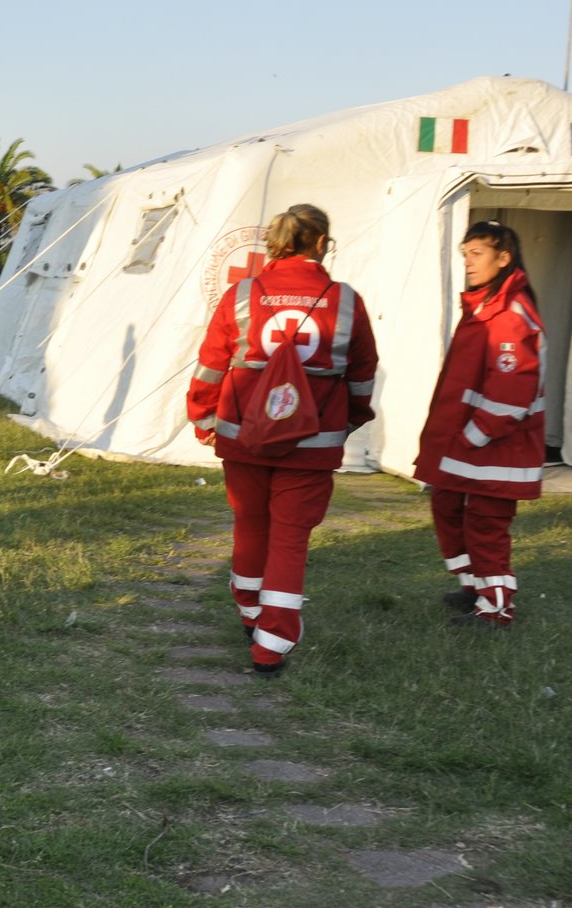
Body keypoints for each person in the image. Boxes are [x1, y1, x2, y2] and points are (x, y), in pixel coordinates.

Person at [186, 204, 379, 676]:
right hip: (311, 442)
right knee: (290, 539)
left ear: (274, 242)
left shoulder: (242, 294)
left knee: (250, 524)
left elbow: (211, 364)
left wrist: (204, 417)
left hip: (243, 435)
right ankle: (271, 644)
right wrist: (347, 420)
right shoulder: (347, 301)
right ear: (320, 243)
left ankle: (250, 612)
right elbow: (362, 375)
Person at [414, 219, 545, 629]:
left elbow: (512, 390)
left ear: (503, 259)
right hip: (467, 446)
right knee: (446, 504)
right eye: (465, 254)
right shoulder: (484, 305)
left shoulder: (509, 314)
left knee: (486, 525)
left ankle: (496, 606)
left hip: (495, 448)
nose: (468, 263)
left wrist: (473, 436)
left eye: (477, 254)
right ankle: (473, 585)